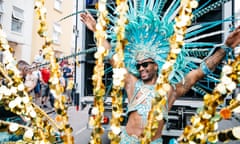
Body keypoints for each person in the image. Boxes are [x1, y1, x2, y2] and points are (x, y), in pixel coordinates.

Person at [80, 10, 240, 144]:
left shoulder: (170, 90)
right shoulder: (132, 83)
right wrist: (96, 30)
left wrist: (226, 47)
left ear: (156, 65)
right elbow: (111, 56)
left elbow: (201, 71)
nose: (141, 68)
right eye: (138, 65)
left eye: (145, 64)